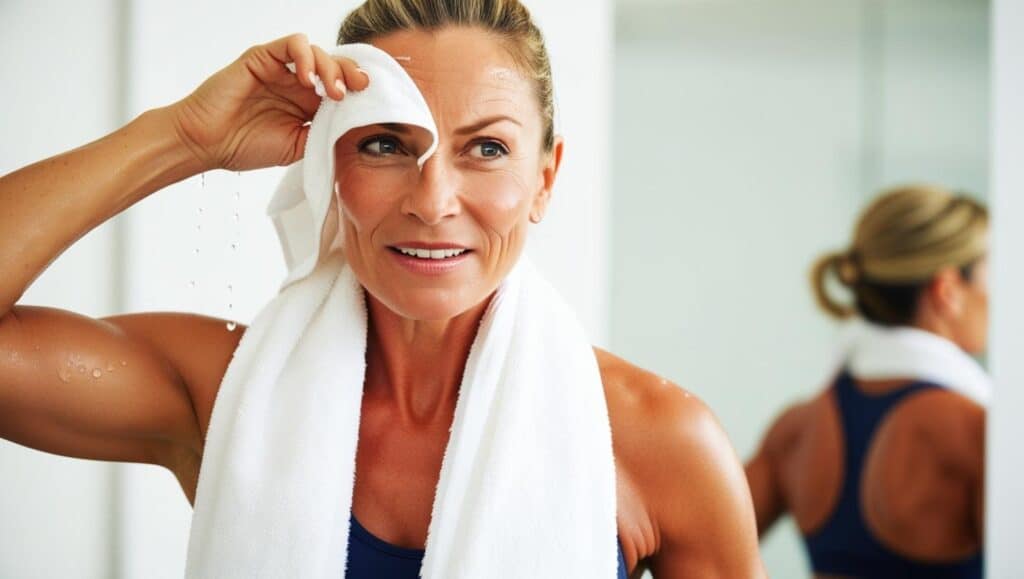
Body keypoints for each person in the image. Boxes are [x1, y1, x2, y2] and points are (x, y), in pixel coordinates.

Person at [0, 1, 764, 577]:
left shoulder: (659, 442)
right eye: (386, 144)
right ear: (331, 165)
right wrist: (188, 135)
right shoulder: (226, 389)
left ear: (545, 178)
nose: (433, 201)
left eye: (487, 148)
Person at [746, 184, 988, 578]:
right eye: (989, 276)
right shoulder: (976, 433)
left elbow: (684, 541)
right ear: (948, 291)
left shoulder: (796, 431)